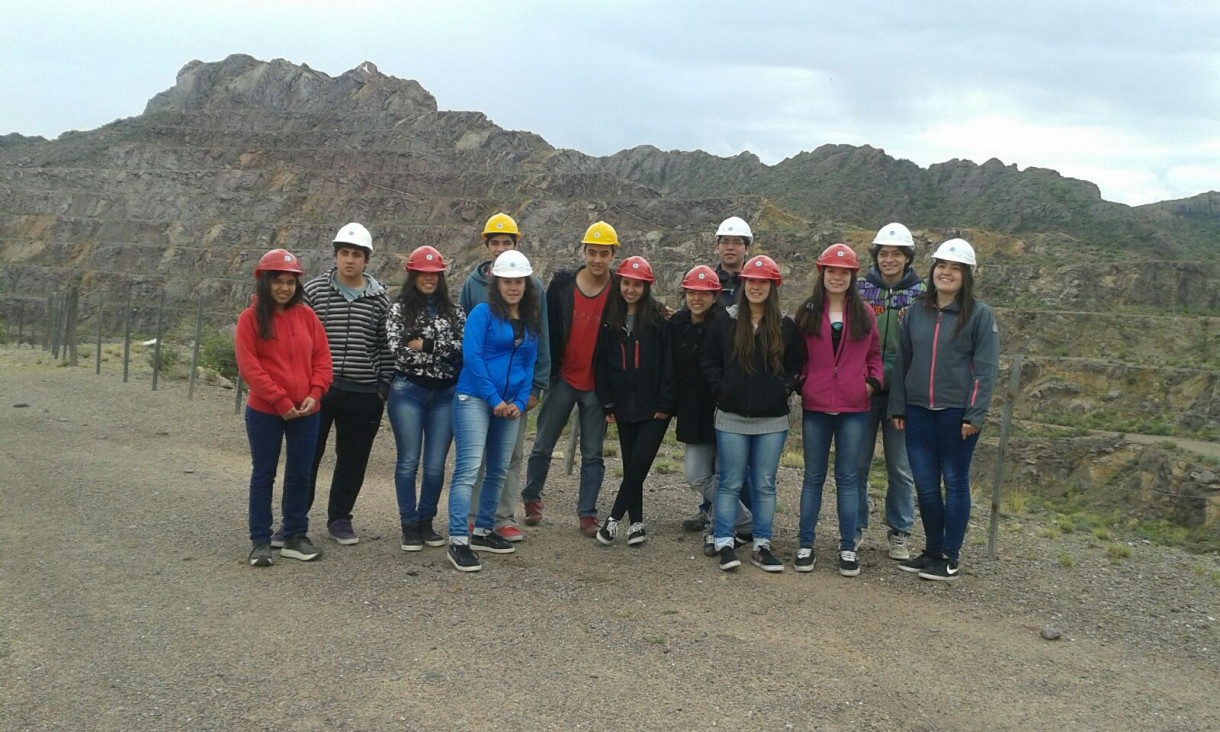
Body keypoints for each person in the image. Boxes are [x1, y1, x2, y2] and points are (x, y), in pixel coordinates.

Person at [889, 238, 1000, 581]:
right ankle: (931, 550)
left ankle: (950, 556)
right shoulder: (915, 313)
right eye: (941, 266)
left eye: (955, 268)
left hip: (956, 414)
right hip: (919, 410)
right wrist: (898, 407)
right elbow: (902, 363)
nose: (946, 272)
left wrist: (974, 414)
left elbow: (985, 368)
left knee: (954, 482)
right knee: (924, 485)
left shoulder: (979, 315)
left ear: (967, 275)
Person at [701, 255, 805, 573]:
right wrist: (723, 389)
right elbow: (709, 361)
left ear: (773, 287)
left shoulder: (786, 326)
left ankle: (762, 545)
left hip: (772, 420)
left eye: (763, 282)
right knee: (729, 481)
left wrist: (782, 390)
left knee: (764, 483)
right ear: (743, 284)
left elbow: (796, 366)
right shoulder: (726, 321)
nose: (756, 287)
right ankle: (724, 542)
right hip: (730, 417)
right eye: (751, 281)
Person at [235, 250, 332, 566]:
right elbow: (250, 366)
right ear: (265, 282)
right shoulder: (250, 319)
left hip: (307, 411)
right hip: (266, 411)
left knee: (301, 474)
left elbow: (322, 360)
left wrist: (315, 393)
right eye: (278, 281)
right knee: (264, 473)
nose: (285, 288)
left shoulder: (307, 316)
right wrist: (279, 399)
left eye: (290, 282)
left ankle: (295, 534)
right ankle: (261, 541)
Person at [522, 221, 619, 537]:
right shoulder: (563, 284)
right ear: (584, 252)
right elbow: (545, 326)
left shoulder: (619, 288)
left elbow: (642, 310)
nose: (597, 260)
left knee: (593, 454)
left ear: (612, 255)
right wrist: (542, 373)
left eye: (604, 254)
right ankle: (532, 498)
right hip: (563, 377)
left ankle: (587, 514)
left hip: (597, 385)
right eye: (592, 252)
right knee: (543, 444)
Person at [458, 213, 551, 542]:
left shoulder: (533, 286)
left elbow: (541, 340)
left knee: (510, 455)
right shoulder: (473, 285)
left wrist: (536, 387)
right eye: (494, 242)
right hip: (480, 388)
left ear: (516, 244)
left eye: (506, 243)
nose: (500, 248)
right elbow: (467, 340)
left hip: (517, 390)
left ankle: (503, 517)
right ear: (486, 245)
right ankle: (472, 518)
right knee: (477, 455)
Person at [446, 251, 541, 572]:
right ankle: (458, 538)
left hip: (509, 403)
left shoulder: (530, 321)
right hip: (474, 397)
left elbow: (529, 364)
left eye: (518, 282)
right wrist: (493, 398)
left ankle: (485, 530)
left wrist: (519, 400)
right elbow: (473, 359)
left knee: (500, 468)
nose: (513, 287)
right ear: (496, 283)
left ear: (525, 285)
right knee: (470, 468)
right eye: (507, 281)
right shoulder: (482, 314)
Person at [302, 222, 394, 547]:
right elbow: (302, 340)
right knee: (307, 455)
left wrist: (382, 386)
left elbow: (387, 345)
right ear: (336, 255)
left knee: (353, 458)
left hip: (363, 391)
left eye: (357, 254)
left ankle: (340, 518)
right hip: (319, 390)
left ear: (366, 259)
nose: (350, 259)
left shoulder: (381, 299)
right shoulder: (313, 291)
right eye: (345, 253)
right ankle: (295, 520)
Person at [794, 244, 882, 577]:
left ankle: (847, 547)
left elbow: (874, 355)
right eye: (831, 271)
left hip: (854, 407)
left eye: (843, 272)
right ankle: (806, 544)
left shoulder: (865, 314)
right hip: (816, 406)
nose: (837, 277)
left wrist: (871, 383)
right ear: (822, 274)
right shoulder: (807, 312)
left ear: (852, 276)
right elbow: (797, 356)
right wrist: (804, 382)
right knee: (813, 478)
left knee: (848, 479)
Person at [669, 265, 754, 557]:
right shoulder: (677, 323)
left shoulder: (726, 324)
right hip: (693, 410)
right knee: (696, 475)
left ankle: (719, 527)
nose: (697, 298)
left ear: (715, 295)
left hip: (724, 407)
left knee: (728, 473)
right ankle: (747, 520)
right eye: (692, 291)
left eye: (704, 293)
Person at [386, 246, 465, 552]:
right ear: (413, 274)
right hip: (408, 391)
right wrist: (441, 351)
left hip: (445, 394)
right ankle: (408, 524)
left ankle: (426, 522)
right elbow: (399, 351)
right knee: (408, 461)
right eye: (423, 273)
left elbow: (463, 347)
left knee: (434, 465)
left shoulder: (454, 310)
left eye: (434, 273)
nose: (429, 278)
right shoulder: (399, 309)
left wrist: (426, 345)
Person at [856, 223, 925, 560]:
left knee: (899, 465)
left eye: (896, 253)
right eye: (883, 253)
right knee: (857, 462)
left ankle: (900, 531)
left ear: (907, 257)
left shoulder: (922, 294)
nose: (889, 259)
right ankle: (853, 528)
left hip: (904, 391)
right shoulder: (859, 289)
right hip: (865, 386)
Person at [682, 215, 756, 534]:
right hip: (707, 383)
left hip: (740, 383)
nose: (730, 247)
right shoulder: (705, 280)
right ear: (717, 245)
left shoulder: (754, 282)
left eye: (736, 242)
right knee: (708, 460)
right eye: (725, 241)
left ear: (746, 248)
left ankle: (741, 519)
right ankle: (711, 513)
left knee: (736, 463)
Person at [594, 256, 674, 547]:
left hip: (654, 409)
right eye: (626, 283)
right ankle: (637, 523)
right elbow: (602, 364)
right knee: (632, 466)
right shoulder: (610, 320)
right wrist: (608, 404)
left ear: (646, 287)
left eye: (637, 285)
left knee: (640, 462)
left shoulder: (657, 319)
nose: (630, 289)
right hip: (623, 407)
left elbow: (668, 364)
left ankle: (613, 520)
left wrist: (665, 403)